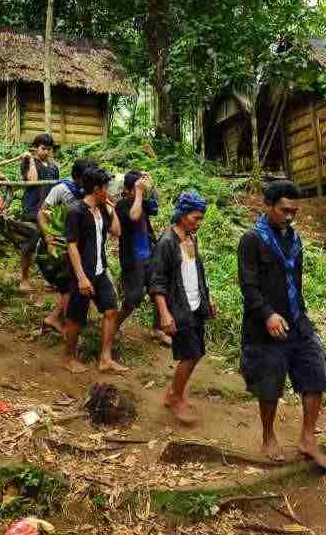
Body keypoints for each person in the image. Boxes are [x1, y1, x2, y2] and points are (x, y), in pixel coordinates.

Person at [238, 180, 326, 470]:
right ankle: (268, 436)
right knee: (270, 384)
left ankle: (307, 438)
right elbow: (248, 284)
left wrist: (299, 315)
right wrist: (267, 314)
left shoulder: (295, 239)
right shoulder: (252, 240)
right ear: (267, 207)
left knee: (316, 373)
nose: (290, 216)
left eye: (294, 211)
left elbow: (297, 281)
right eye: (284, 210)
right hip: (264, 325)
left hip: (297, 321)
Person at [152, 191, 215, 425]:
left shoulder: (191, 238)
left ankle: (176, 392)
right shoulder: (167, 242)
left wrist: (207, 299)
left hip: (195, 304)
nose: (199, 223)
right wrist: (164, 314)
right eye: (195, 218)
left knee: (197, 353)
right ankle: (174, 396)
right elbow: (157, 281)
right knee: (189, 354)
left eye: (201, 219)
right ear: (182, 214)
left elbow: (196, 271)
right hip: (178, 307)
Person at [61, 166, 122, 373]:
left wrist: (111, 208)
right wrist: (81, 278)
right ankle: (69, 357)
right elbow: (72, 245)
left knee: (111, 310)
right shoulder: (75, 211)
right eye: (106, 187)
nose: (109, 191)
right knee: (76, 316)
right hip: (83, 273)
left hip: (99, 270)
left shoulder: (103, 209)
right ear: (97, 189)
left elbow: (116, 231)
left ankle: (105, 358)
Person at [36, 157, 97, 334]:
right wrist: (48, 238)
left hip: (79, 247)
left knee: (71, 287)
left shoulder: (90, 193)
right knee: (69, 287)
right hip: (60, 246)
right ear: (77, 177)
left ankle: (58, 318)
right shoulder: (62, 189)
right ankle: (57, 319)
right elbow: (42, 213)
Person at [114, 170, 165, 343]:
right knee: (133, 298)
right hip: (132, 259)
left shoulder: (142, 201)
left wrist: (151, 185)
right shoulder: (121, 206)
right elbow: (134, 217)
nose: (141, 190)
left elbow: (155, 209)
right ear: (128, 190)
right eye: (137, 188)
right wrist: (139, 194)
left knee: (159, 290)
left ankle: (157, 329)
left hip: (149, 255)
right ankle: (113, 326)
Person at [19, 133, 60, 292]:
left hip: (48, 211)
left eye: (49, 149)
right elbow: (32, 180)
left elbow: (56, 189)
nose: (46, 152)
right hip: (31, 209)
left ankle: (51, 278)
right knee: (28, 245)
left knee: (50, 244)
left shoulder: (53, 167)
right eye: (43, 148)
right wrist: (29, 159)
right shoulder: (28, 161)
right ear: (35, 148)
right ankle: (24, 278)